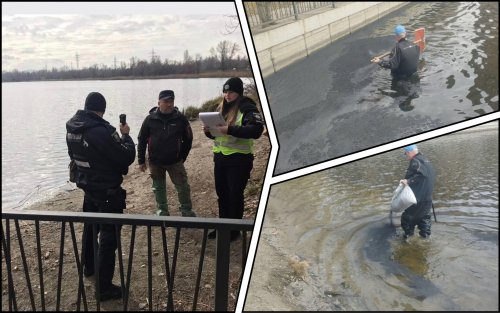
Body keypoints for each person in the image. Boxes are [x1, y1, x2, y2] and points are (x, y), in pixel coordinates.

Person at [66, 92, 136, 301]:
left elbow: (74, 156)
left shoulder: (71, 128)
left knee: (90, 227)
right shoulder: (103, 131)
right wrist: (126, 136)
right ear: (102, 109)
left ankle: (89, 267)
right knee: (108, 237)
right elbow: (126, 156)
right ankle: (104, 288)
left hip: (88, 188)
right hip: (107, 192)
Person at [202, 77, 264, 241]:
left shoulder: (247, 107)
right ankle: (223, 227)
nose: (227, 95)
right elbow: (216, 135)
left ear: (239, 93)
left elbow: (256, 130)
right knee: (222, 194)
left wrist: (229, 129)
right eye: (225, 92)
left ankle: (234, 230)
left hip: (239, 160)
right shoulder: (220, 108)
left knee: (234, 195)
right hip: (221, 158)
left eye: (231, 92)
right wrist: (208, 131)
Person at [137, 90, 196, 217]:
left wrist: (182, 157)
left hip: (175, 161)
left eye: (171, 101)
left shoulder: (180, 119)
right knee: (158, 188)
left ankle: (186, 210)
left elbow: (188, 139)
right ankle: (162, 211)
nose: (169, 104)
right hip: (155, 162)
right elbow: (141, 139)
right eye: (166, 101)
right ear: (159, 103)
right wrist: (141, 160)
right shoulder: (149, 119)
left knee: (183, 187)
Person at [399, 144, 436, 239]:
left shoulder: (416, 161)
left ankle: (407, 240)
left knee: (406, 220)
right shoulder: (425, 160)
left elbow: (422, 175)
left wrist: (408, 181)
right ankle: (426, 240)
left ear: (409, 152)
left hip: (417, 200)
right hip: (427, 199)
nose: (406, 156)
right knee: (424, 220)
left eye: (406, 153)